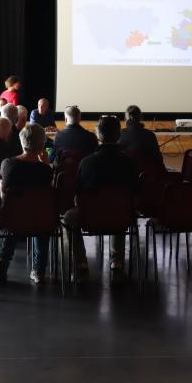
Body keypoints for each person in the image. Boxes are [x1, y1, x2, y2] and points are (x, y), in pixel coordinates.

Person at [63, 116, 139, 284]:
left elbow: (78, 196)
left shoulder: (87, 163)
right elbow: (134, 194)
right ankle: (117, 262)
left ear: (98, 134)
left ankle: (81, 264)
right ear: (119, 135)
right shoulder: (129, 163)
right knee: (121, 206)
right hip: (121, 217)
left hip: (90, 218)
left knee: (69, 217)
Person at [0, 123, 54, 284]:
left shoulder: (8, 164)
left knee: (11, 223)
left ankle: (2, 268)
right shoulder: (45, 171)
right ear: (42, 145)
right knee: (42, 224)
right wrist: (46, 164)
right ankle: (38, 270)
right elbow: (48, 196)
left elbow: (2, 194)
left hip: (13, 218)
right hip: (41, 220)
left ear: (22, 142)